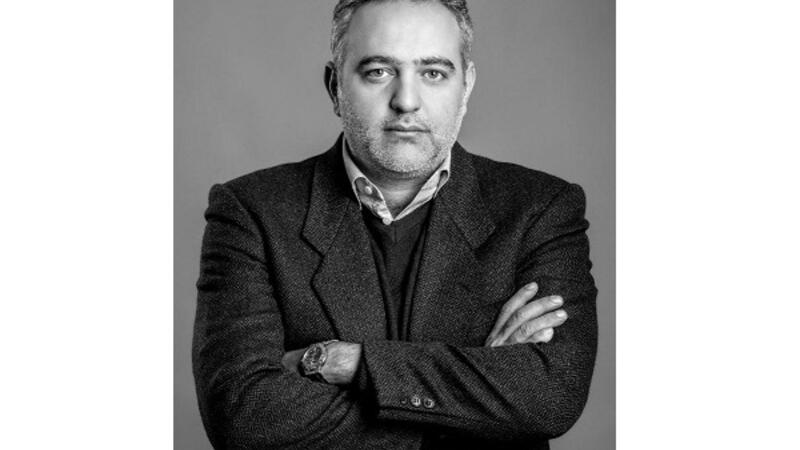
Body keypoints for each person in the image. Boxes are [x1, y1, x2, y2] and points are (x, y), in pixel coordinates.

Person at [193, 0, 597, 448]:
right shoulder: (251, 211)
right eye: (379, 71)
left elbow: (551, 397)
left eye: (433, 73)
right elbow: (243, 418)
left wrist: (350, 363)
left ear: (466, 87)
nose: (406, 100)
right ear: (335, 86)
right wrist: (475, 395)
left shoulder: (541, 208)